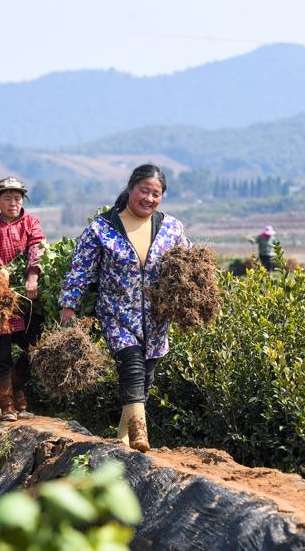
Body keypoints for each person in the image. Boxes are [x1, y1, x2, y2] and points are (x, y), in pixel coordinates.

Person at [58, 164, 190, 452]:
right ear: (131, 188)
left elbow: (188, 266)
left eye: (156, 194)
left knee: (146, 377)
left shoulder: (172, 228)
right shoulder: (101, 229)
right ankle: (140, 435)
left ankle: (123, 440)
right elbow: (80, 269)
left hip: (156, 318)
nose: (149, 198)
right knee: (131, 367)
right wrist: (69, 304)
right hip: (117, 313)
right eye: (144, 191)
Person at [0, 177, 45, 422]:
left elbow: (37, 248)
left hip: (27, 299)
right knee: (1, 355)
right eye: (7, 198)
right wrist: (1, 286)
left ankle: (17, 389)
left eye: (17, 198)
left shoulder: (30, 223)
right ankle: (7, 406)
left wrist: (32, 275)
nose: (13, 203)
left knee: (33, 348)